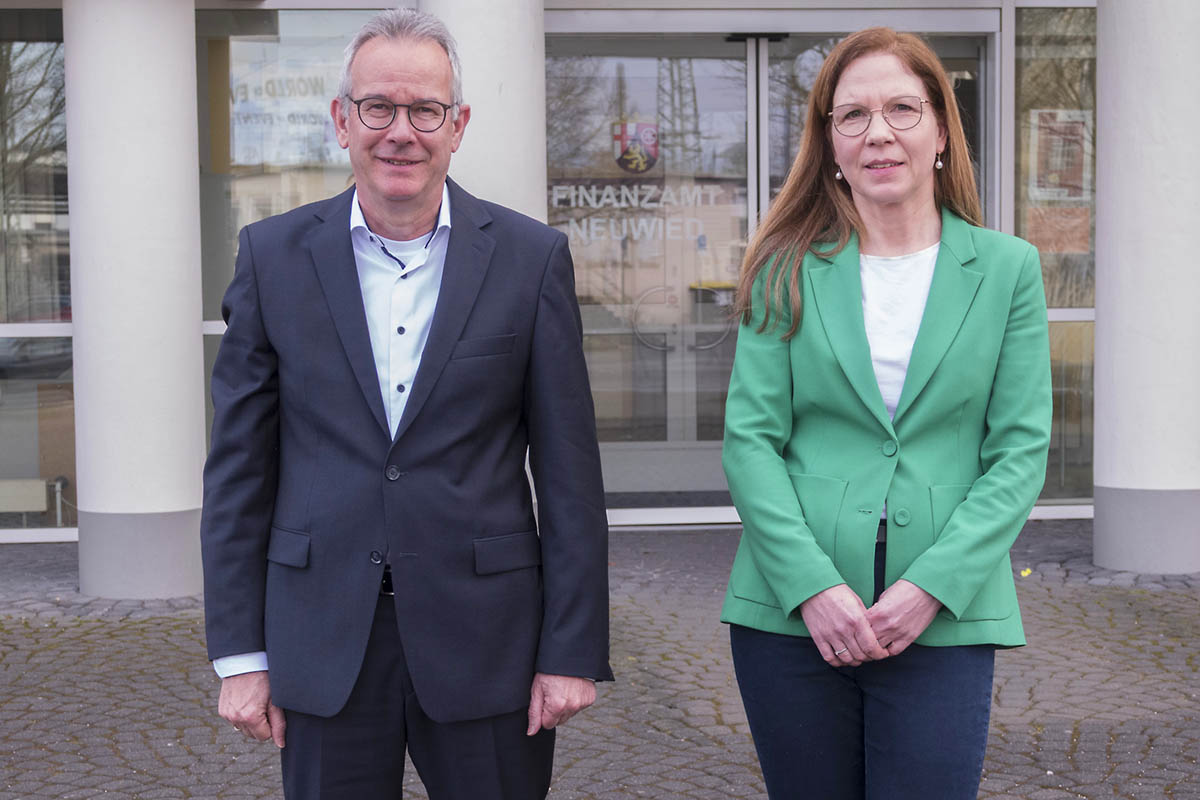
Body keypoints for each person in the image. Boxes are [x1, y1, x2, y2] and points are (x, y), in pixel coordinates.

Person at [200, 9, 611, 799]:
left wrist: (571, 649)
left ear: (457, 126)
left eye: (424, 111)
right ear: (341, 121)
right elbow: (238, 473)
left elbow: (569, 475)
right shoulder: (272, 258)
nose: (400, 132)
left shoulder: (531, 261)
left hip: (488, 640)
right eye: (378, 108)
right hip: (321, 640)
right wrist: (241, 655)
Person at [720, 27, 1051, 800]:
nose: (879, 134)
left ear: (940, 128)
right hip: (791, 613)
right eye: (853, 116)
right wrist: (812, 587)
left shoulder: (1006, 270)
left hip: (944, 608)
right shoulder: (784, 268)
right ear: (829, 141)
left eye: (902, 109)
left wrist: (931, 585)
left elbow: (1020, 451)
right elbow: (751, 443)